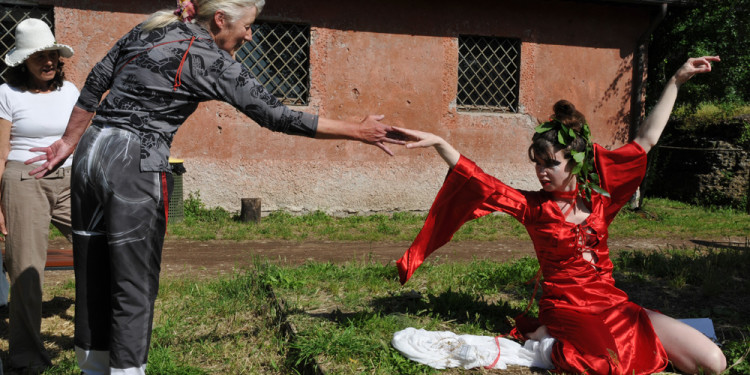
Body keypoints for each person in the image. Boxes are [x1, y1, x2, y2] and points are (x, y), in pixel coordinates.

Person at [26, 1, 403, 374]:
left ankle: (94, 368)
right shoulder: (211, 59)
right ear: (220, 20)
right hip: (133, 161)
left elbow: (96, 79)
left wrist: (68, 141)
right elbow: (276, 115)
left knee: (92, 269)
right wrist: (358, 129)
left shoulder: (152, 28)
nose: (250, 35)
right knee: (133, 282)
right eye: (247, 26)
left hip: (91, 153)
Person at [394, 56, 726, 374]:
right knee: (613, 364)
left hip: (614, 305)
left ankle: (614, 340)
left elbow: (645, 140)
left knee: (713, 362)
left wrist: (676, 80)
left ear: (576, 162)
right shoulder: (533, 208)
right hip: (567, 308)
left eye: (550, 163)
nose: (541, 171)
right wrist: (440, 143)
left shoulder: (600, 202)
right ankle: (544, 344)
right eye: (537, 163)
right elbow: (483, 182)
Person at [0, 18, 78, 374]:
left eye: (51, 54)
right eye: (38, 57)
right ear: (22, 62)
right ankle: (26, 357)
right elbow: (0, 152)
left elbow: (83, 137)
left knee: (103, 247)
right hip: (24, 182)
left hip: (72, 180)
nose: (48, 62)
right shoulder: (7, 94)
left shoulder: (71, 91)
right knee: (27, 271)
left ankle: (101, 337)